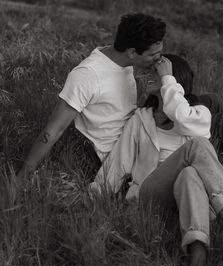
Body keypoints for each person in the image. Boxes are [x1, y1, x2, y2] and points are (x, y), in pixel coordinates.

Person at [91, 54, 223, 266]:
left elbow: (183, 117)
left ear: (173, 79)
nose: (147, 76)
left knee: (189, 173)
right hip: (151, 194)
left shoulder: (198, 114)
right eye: (148, 72)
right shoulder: (142, 118)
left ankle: (196, 262)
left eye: (155, 72)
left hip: (189, 195)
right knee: (196, 147)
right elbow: (118, 163)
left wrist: (167, 79)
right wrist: (94, 195)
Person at [16, 12, 166, 185]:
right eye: (153, 55)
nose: (158, 59)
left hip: (130, 144)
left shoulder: (124, 62)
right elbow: (54, 129)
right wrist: (21, 177)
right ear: (132, 52)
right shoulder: (88, 75)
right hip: (101, 158)